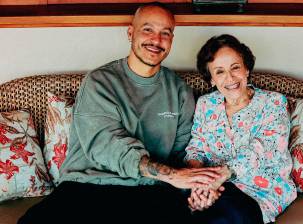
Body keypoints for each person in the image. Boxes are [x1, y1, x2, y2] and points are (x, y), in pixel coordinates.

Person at [18, 3, 224, 224]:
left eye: (166, 33)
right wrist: (174, 176)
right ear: (130, 32)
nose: (157, 40)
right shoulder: (99, 82)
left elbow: (184, 154)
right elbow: (108, 146)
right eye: (148, 29)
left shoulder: (180, 92)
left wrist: (198, 187)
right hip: (88, 186)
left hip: (150, 192)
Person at [184, 34, 297, 224]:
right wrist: (199, 184)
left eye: (235, 67)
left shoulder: (273, 102)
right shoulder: (205, 104)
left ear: (246, 69)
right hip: (214, 186)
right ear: (211, 79)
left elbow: (262, 148)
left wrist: (220, 177)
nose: (229, 77)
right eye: (219, 72)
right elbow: (196, 148)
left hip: (260, 189)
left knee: (225, 217)